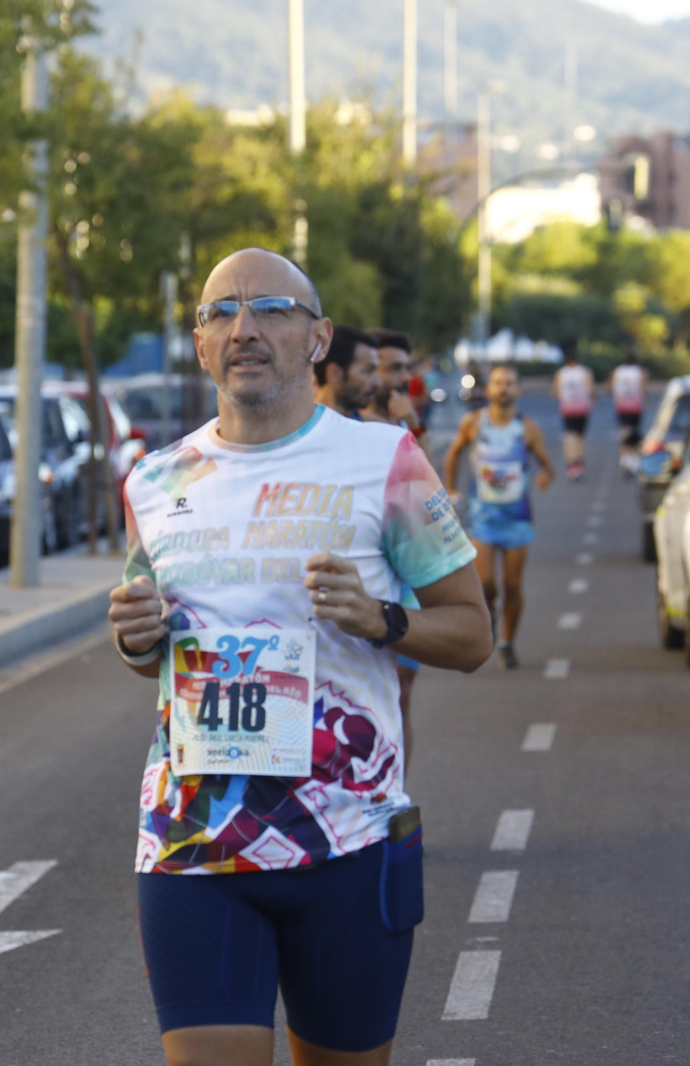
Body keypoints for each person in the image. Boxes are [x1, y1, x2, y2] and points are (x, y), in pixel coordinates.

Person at [108, 248, 492, 1066]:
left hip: (346, 842)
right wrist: (135, 635)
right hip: (193, 842)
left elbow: (472, 633)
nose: (244, 328)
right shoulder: (154, 479)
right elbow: (151, 651)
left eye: (270, 310)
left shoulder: (384, 462)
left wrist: (381, 619)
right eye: (221, 313)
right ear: (201, 344)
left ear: (317, 339)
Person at [443, 363, 555, 670]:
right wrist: (451, 487)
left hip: (517, 518)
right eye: (497, 383)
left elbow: (547, 464)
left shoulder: (527, 428)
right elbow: (453, 453)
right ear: (489, 389)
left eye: (509, 383)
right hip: (483, 517)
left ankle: (507, 642)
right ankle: (490, 613)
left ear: (517, 390)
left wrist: (545, 477)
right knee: (486, 583)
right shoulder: (473, 423)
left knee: (513, 585)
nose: (503, 388)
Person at [364, 328, 426, 774]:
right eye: (393, 368)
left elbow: (421, 491)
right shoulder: (355, 424)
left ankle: (397, 795)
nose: (403, 377)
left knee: (401, 690)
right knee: (378, 690)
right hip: (367, 577)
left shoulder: (403, 420)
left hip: (404, 578)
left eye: (407, 367)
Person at [312, 324, 380, 419]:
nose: (378, 382)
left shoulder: (371, 427)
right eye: (368, 371)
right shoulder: (296, 429)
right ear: (335, 373)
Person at [552, 337, 593, 480]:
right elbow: (590, 390)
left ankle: (571, 464)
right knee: (580, 437)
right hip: (582, 409)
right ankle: (579, 464)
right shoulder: (585, 372)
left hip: (568, 409)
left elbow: (555, 393)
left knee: (570, 436)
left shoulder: (561, 373)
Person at [610, 350, 646, 478]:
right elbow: (643, 388)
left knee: (624, 432)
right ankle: (634, 460)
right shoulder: (639, 371)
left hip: (621, 405)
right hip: (635, 406)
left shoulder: (618, 371)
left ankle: (625, 459)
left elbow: (610, 387)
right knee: (635, 433)